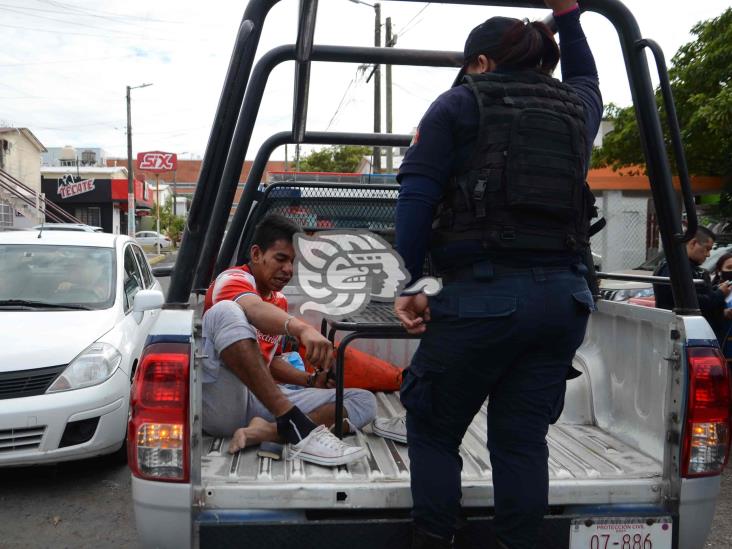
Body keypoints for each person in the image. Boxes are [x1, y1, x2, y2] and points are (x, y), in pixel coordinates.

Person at [393, 2, 602, 547]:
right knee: (522, 440)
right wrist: (571, 15)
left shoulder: (458, 105)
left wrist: (413, 284)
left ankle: (436, 539)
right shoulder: (578, 110)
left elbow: (415, 201)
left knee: (434, 428)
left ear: (481, 62)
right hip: (564, 302)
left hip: (481, 298)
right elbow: (587, 76)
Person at [201, 214, 377, 466]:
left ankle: (269, 431)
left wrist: (310, 380)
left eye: (293, 262)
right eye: (280, 259)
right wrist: (302, 329)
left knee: (363, 401)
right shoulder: (232, 280)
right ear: (256, 254)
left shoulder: (279, 301)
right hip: (223, 402)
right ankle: (292, 422)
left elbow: (267, 362)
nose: (288, 270)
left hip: (262, 400)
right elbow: (253, 308)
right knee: (225, 311)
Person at [653, 227, 732, 345]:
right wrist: (720, 294)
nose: (708, 254)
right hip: (688, 337)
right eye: (707, 249)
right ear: (693, 243)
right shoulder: (675, 268)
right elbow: (690, 302)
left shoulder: (688, 268)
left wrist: (722, 311)